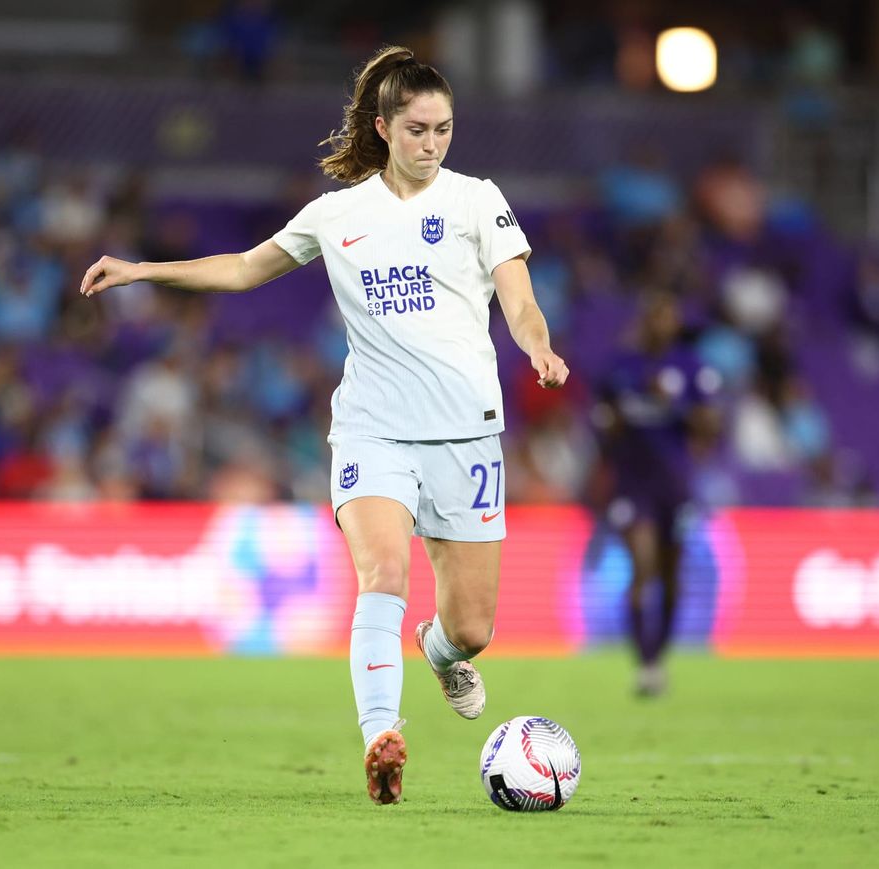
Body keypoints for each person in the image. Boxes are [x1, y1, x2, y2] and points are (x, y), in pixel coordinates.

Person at [80, 45, 567, 805]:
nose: (432, 144)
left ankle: (438, 655)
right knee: (383, 574)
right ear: (383, 128)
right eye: (417, 129)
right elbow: (245, 268)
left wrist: (537, 345)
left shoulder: (477, 200)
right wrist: (145, 271)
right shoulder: (338, 214)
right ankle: (382, 734)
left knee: (470, 627)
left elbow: (519, 298)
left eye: (443, 129)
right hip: (372, 431)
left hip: (466, 435)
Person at [589, 292, 720, 697]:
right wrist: (617, 418)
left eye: (671, 318)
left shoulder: (692, 368)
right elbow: (601, 426)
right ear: (646, 320)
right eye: (658, 316)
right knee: (642, 567)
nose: (664, 324)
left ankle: (658, 658)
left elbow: (711, 427)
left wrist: (675, 402)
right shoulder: (620, 368)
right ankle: (644, 662)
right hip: (633, 484)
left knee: (672, 579)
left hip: (675, 485)